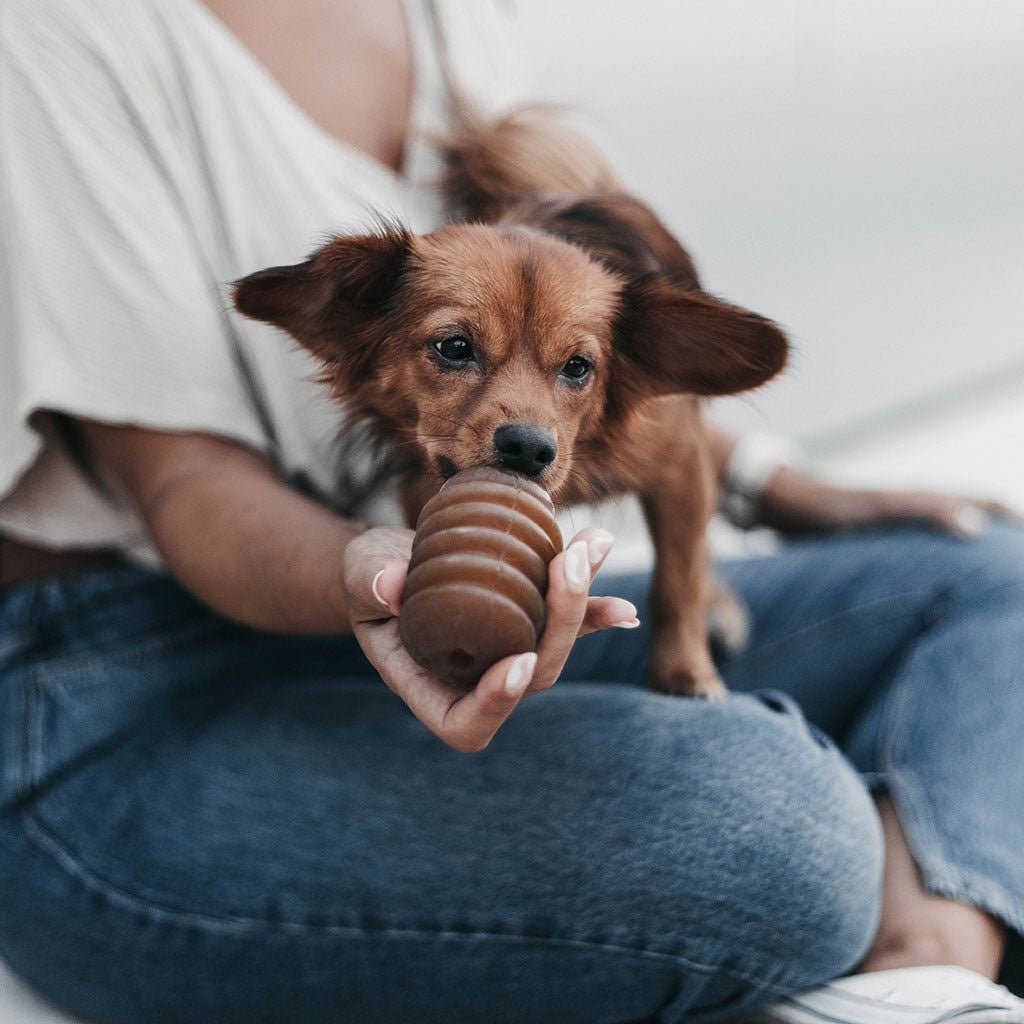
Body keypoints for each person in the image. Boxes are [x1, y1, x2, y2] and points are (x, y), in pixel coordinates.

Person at [0, 1, 1021, 1021]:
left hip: (400, 607)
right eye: (453, 346)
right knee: (782, 827)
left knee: (992, 577)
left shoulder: (445, 14)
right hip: (112, 705)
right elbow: (186, 486)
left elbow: (555, 354)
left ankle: (922, 981)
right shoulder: (59, 35)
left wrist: (772, 480)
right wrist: (386, 577)